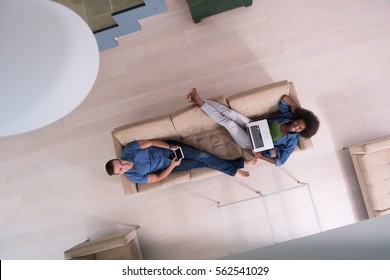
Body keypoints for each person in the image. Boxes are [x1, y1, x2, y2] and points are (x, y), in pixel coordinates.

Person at [186, 86, 320, 167]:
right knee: (230, 113)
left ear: (302, 132)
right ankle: (200, 100)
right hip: (254, 125)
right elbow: (285, 98)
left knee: (228, 123)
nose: (296, 127)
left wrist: (261, 157)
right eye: (298, 123)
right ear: (297, 119)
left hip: (251, 142)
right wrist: (300, 110)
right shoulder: (288, 117)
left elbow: (279, 162)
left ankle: (198, 100)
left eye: (299, 128)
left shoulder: (291, 142)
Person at [105, 139, 259, 184]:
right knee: (202, 163)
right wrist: (172, 165)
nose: (124, 165)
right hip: (170, 165)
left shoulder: (129, 150)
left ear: (119, 158)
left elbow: (151, 142)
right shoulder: (134, 176)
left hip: (170, 149)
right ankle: (242, 163)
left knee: (202, 155)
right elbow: (158, 177)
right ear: (121, 174)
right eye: (122, 169)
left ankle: (236, 170)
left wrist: (170, 146)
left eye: (121, 162)